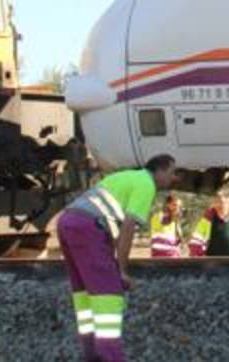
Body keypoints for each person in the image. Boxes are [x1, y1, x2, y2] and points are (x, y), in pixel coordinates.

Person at [57, 154, 178, 362]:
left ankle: (92, 356)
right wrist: (121, 270)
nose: (174, 178)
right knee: (108, 294)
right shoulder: (146, 184)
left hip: (68, 221)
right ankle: (111, 357)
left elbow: (111, 226)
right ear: (159, 171)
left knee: (85, 294)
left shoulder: (128, 177)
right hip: (88, 227)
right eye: (172, 172)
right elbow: (128, 228)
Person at [188, 191, 229, 257]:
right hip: (212, 264)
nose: (219, 205)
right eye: (216, 202)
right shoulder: (207, 220)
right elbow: (195, 242)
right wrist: (200, 259)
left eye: (222, 202)